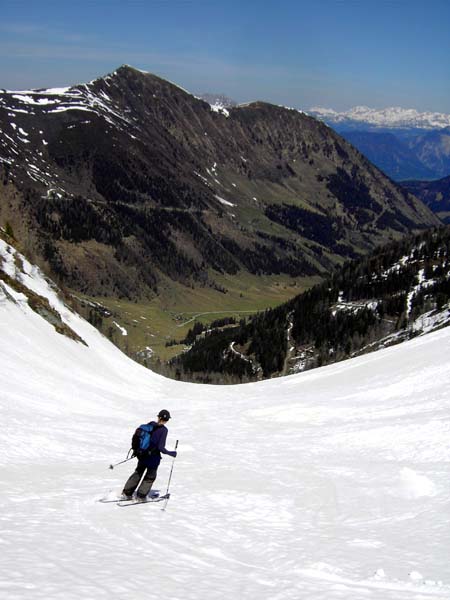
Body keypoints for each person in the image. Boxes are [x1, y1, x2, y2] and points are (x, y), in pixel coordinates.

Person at [122, 409, 177, 501]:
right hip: (153, 457)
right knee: (150, 476)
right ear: (167, 420)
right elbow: (161, 448)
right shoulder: (164, 430)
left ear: (158, 417)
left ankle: (127, 493)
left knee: (138, 472)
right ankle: (141, 496)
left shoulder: (150, 425)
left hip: (142, 455)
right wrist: (172, 453)